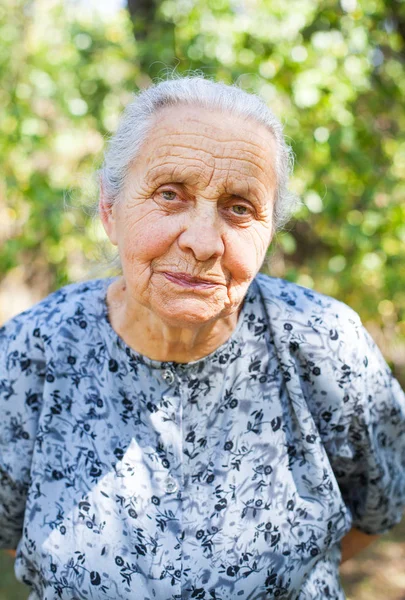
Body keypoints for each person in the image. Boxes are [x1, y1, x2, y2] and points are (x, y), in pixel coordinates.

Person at [1, 75, 404, 600]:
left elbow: (377, 507)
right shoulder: (31, 351)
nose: (202, 242)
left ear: (270, 231)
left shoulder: (326, 344)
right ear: (109, 210)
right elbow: (15, 536)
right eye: (170, 195)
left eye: (239, 207)